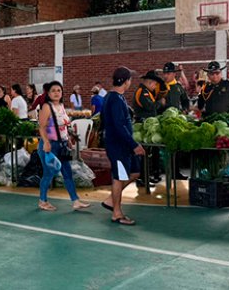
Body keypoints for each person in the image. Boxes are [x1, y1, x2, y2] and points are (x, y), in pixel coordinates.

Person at [100, 67, 146, 225]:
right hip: (118, 146)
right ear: (126, 81)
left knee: (135, 172)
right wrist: (134, 145)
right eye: (130, 80)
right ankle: (117, 213)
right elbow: (120, 126)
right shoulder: (114, 99)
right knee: (119, 178)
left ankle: (111, 200)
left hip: (123, 145)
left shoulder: (116, 97)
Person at [36, 81, 91, 212]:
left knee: (67, 173)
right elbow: (42, 127)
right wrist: (46, 143)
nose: (56, 93)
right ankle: (42, 201)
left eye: (59, 90)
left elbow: (63, 126)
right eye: (53, 90)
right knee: (49, 173)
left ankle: (75, 201)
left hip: (62, 145)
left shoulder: (61, 106)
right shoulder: (46, 107)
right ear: (48, 93)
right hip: (49, 146)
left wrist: (68, 140)